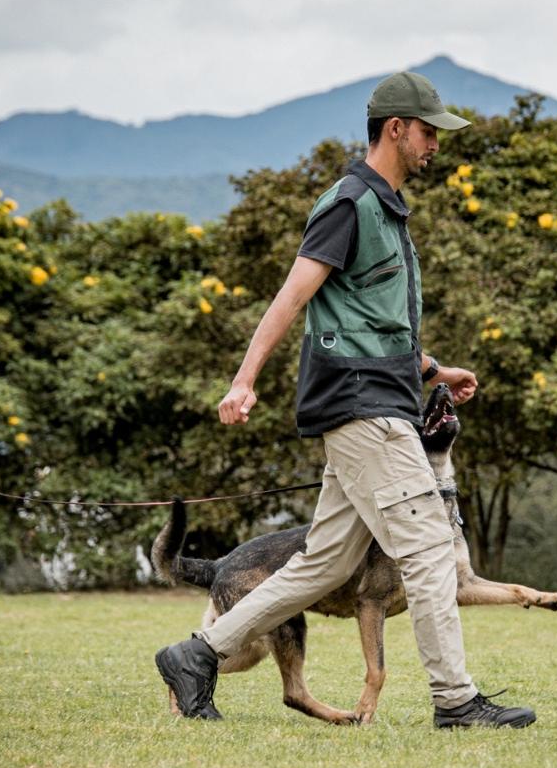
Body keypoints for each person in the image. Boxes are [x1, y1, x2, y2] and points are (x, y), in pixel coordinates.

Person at [155, 70, 535, 729]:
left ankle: (197, 654)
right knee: (429, 548)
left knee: (324, 561)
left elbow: (376, 324)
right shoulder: (349, 204)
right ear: (396, 128)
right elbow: (293, 296)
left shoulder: (387, 211)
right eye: (428, 133)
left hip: (380, 398)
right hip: (364, 408)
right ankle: (456, 701)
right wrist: (244, 379)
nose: (435, 146)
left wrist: (436, 372)